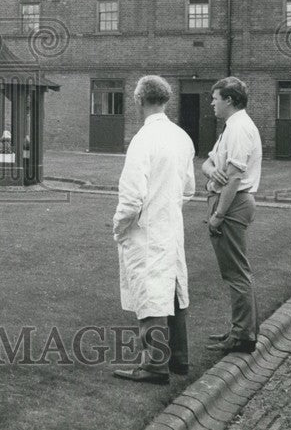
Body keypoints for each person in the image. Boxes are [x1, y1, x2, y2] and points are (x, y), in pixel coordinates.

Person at [112, 76, 196, 385]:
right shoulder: (181, 137)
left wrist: (119, 227)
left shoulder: (143, 139)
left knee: (151, 292)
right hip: (170, 225)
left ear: (139, 101)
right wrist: (168, 208)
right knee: (172, 289)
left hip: (146, 228)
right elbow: (188, 188)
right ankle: (179, 360)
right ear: (166, 100)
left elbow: (132, 196)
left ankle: (154, 366)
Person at [204, 76, 262, 355]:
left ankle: (242, 336)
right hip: (232, 199)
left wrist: (218, 214)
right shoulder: (231, 127)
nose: (212, 103)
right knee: (236, 271)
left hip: (233, 203)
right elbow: (208, 163)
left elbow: (235, 176)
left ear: (229, 100)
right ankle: (242, 330)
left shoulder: (239, 129)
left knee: (237, 273)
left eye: (215, 98)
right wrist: (212, 171)